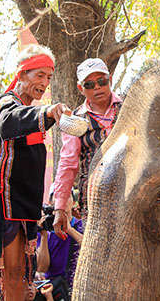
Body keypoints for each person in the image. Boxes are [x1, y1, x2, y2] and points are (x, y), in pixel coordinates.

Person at [0, 44, 69, 301]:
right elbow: (8, 123)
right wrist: (46, 111)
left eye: (48, 77)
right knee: (9, 272)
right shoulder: (7, 103)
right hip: (5, 204)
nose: (45, 82)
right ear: (21, 74)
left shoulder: (33, 111)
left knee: (22, 274)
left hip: (25, 205)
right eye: (39, 75)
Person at [52, 58, 123, 236]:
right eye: (90, 84)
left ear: (110, 80)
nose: (97, 87)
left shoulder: (129, 108)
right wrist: (60, 208)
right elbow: (68, 163)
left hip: (130, 190)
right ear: (81, 88)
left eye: (102, 81)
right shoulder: (74, 120)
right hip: (94, 197)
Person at [37, 192, 83, 296]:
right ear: (51, 203)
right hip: (55, 290)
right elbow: (42, 268)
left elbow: (90, 249)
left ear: (73, 203)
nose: (64, 201)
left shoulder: (81, 226)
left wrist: (69, 229)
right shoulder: (45, 231)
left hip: (80, 285)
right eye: (58, 197)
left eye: (67, 197)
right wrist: (43, 236)